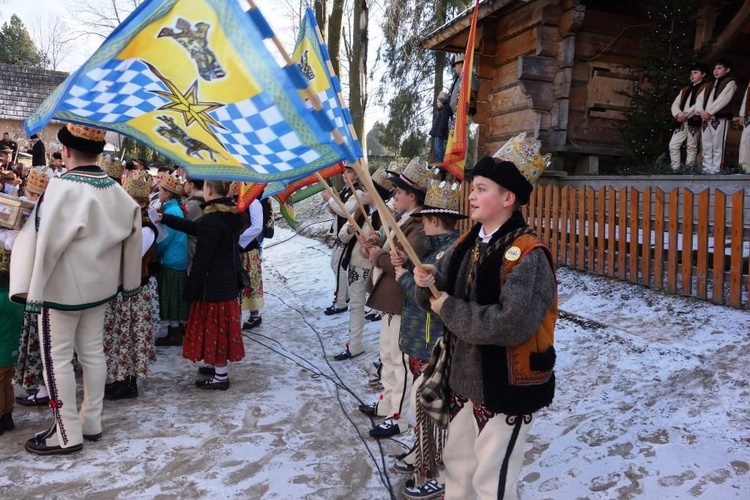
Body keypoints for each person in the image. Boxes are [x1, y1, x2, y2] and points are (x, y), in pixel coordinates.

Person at [413, 133, 557, 499]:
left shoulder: (529, 255)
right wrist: (424, 280)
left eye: (481, 189)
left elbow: (511, 324)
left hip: (506, 388)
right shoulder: (466, 243)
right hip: (464, 381)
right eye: (472, 188)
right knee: (458, 468)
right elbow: (437, 289)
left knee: (493, 483)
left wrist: (449, 307)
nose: (471, 196)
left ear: (508, 198)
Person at [9, 123, 142, 456]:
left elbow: (45, 240)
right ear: (97, 153)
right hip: (100, 287)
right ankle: (90, 421)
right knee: (93, 353)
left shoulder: (62, 187)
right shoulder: (114, 188)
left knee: (58, 360)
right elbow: (133, 229)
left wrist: (32, 284)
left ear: (66, 151)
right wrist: (128, 282)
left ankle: (65, 432)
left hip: (61, 290)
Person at [390, 176, 465, 500]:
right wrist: (407, 267)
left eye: (424, 221)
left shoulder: (449, 254)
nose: (422, 226)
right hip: (420, 344)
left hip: (432, 345)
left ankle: (442, 473)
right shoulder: (440, 251)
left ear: (434, 220)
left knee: (436, 413)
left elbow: (433, 303)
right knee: (423, 409)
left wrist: (405, 278)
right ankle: (424, 460)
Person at [359, 157, 431, 439]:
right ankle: (388, 402)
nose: (394, 197)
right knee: (387, 356)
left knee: (400, 360)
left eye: (399, 193)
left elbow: (403, 264)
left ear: (412, 196)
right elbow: (390, 253)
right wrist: (377, 246)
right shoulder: (402, 221)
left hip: (403, 302)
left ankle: (399, 416)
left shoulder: (419, 225)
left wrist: (378, 255)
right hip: (390, 301)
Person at [158, 180, 244, 390]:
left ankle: (220, 377)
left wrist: (191, 288)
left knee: (216, 330)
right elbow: (195, 228)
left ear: (209, 191)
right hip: (226, 283)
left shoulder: (212, 219)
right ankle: (216, 367)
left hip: (213, 286)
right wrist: (165, 218)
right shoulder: (226, 216)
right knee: (218, 329)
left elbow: (202, 260)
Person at [103, 172, 159, 400]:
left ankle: (129, 383)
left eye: (133, 200)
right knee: (118, 336)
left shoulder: (146, 229)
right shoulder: (126, 224)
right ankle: (119, 378)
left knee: (131, 337)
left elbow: (131, 256)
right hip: (120, 290)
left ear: (144, 204)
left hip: (135, 292)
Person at [332, 166, 393, 361]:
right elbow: (342, 238)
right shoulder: (360, 210)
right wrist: (350, 230)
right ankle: (355, 344)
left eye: (367, 190)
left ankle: (386, 356)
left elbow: (391, 243)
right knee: (356, 305)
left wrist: (376, 243)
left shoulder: (389, 216)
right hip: (357, 265)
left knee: (385, 310)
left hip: (378, 269)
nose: (363, 192)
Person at [11, 167, 53, 408]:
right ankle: (42, 387)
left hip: (38, 288)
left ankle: (44, 389)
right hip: (41, 287)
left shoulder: (37, 215)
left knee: (41, 342)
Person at [154, 171, 189, 346]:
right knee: (173, 296)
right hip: (175, 258)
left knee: (173, 297)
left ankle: (175, 333)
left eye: (160, 191)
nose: (158, 193)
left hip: (173, 260)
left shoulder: (173, 212)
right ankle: (174, 331)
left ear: (168, 194)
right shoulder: (172, 209)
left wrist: (156, 251)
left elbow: (165, 239)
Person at [322, 164, 362, 315]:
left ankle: (340, 302)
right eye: (344, 172)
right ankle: (344, 295)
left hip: (348, 236)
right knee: (335, 265)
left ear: (357, 175)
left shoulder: (357, 191)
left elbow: (345, 211)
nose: (345, 175)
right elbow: (337, 211)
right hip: (340, 233)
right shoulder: (346, 189)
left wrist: (331, 200)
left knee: (340, 268)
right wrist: (331, 205)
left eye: (350, 172)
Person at [696, 58, 737, 174]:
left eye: (719, 68)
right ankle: (706, 169)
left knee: (718, 145)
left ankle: (716, 170)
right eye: (715, 68)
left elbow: (723, 99)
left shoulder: (730, 82)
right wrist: (700, 111)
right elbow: (700, 99)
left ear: (727, 70)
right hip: (706, 118)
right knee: (707, 145)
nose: (716, 71)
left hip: (719, 118)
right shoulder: (709, 84)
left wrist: (709, 112)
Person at [668, 62, 709, 171]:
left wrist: (686, 114)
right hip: (681, 121)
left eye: (695, 73)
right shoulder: (685, 89)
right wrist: (678, 114)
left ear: (703, 74)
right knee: (673, 145)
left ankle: (688, 171)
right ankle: (675, 169)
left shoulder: (706, 88)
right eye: (691, 73)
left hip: (693, 120)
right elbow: (675, 103)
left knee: (691, 147)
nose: (692, 75)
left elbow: (699, 104)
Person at [239, 196, 265, 329]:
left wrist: (239, 241)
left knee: (250, 280)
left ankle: (255, 314)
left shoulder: (253, 203)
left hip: (248, 248)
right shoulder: (235, 200)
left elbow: (257, 227)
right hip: (237, 248)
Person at [429, 91, 452, 163]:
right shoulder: (441, 110)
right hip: (437, 133)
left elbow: (443, 122)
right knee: (437, 148)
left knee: (439, 148)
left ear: (443, 101)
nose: (437, 103)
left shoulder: (445, 109)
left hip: (439, 133)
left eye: (439, 102)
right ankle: (438, 160)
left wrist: (439, 131)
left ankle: (439, 161)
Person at [739, 80, 750, 173]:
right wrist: (742, 114)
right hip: (749, 116)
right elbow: (746, 98)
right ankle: (744, 169)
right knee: (745, 142)